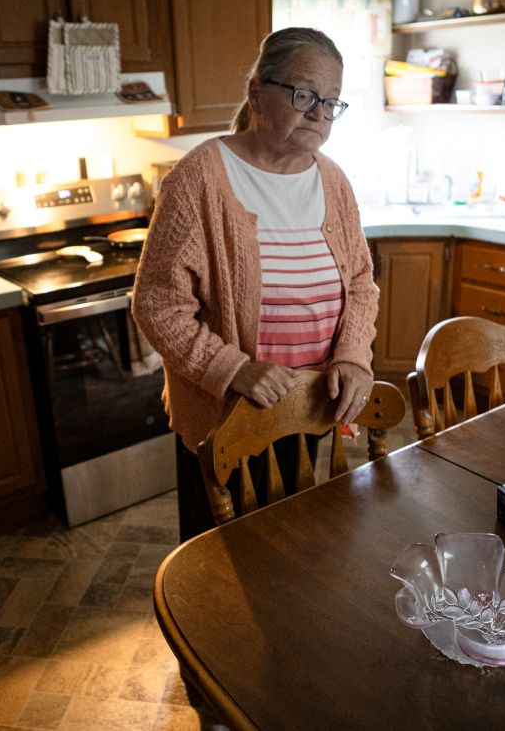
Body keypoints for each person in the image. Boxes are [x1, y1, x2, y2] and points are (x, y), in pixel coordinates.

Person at [132, 27, 378, 540]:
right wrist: (233, 369)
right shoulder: (199, 179)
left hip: (311, 407)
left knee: (299, 552)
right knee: (219, 569)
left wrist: (354, 354)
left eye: (331, 103)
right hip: (229, 417)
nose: (317, 114)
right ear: (256, 93)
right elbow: (157, 306)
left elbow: (359, 281)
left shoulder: (333, 180)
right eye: (303, 94)